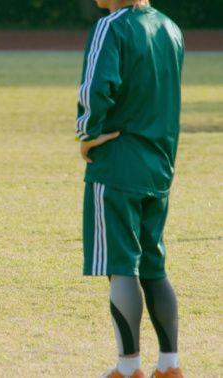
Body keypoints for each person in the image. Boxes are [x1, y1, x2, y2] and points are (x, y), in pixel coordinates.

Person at [76, 0, 184, 377]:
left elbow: (95, 89)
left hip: (118, 163)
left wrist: (87, 135)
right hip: (160, 164)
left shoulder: (112, 26)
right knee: (154, 265)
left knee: (121, 266)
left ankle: (127, 368)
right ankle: (170, 365)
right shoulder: (170, 27)